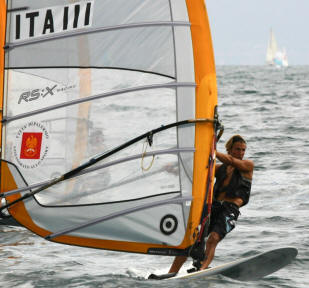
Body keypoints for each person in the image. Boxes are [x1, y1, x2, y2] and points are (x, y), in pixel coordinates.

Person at [168, 134, 254, 274]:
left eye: (243, 150)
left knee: (213, 238)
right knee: (191, 240)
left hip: (230, 209)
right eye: (238, 149)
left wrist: (212, 151)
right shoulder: (220, 169)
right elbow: (196, 172)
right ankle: (171, 273)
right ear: (230, 149)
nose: (241, 153)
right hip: (213, 207)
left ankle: (202, 269)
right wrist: (174, 170)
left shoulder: (247, 166)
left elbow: (231, 161)